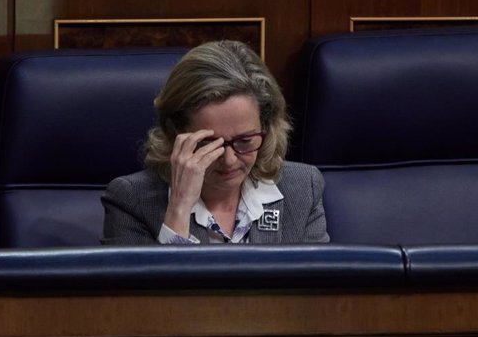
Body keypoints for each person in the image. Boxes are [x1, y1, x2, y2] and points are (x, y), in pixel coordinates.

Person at [101, 40, 329, 244]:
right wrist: (179, 209)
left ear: (266, 128)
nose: (229, 160)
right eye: (210, 144)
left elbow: (318, 288)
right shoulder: (132, 201)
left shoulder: (302, 189)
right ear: (176, 132)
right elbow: (146, 292)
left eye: (245, 141)